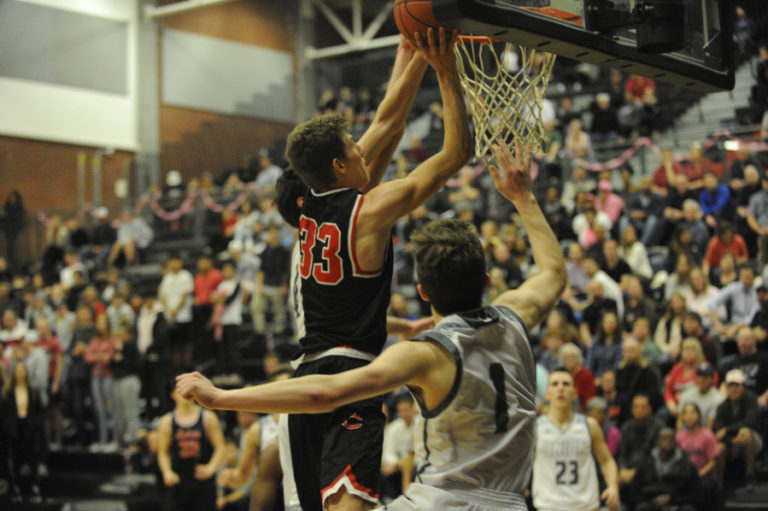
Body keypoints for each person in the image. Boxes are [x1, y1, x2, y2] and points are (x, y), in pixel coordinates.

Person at [176, 136, 567, 511]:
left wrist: (223, 398)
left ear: (423, 292)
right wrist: (524, 198)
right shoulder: (516, 317)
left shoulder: (427, 354)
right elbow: (552, 272)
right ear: (486, 281)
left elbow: (324, 394)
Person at [532, 369, 620, 511]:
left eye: (566, 384)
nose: (561, 388)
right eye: (555, 384)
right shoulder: (535, 428)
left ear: (575, 393)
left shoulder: (589, 425)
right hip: (548, 506)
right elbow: (521, 465)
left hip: (585, 506)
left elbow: (607, 460)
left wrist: (613, 488)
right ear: (547, 393)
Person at [157, 384, 226, 511]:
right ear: (173, 395)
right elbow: (162, 452)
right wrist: (167, 472)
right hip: (179, 481)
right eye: (180, 392)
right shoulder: (167, 421)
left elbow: (221, 447)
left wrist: (211, 468)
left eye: (189, 392)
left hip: (203, 480)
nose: (185, 396)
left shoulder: (208, 418)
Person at [628, 428, 703, 511]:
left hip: (678, 504)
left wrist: (672, 500)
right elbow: (635, 492)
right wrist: (652, 501)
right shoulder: (645, 463)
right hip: (651, 503)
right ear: (657, 442)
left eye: (671, 439)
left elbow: (696, 495)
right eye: (664, 439)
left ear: (676, 442)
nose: (668, 442)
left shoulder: (687, 465)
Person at [713, 369, 762, 487]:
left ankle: (750, 475)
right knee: (719, 446)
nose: (734, 389)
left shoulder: (752, 399)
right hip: (732, 443)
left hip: (754, 440)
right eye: (730, 386)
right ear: (726, 388)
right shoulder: (722, 406)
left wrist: (728, 430)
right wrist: (731, 440)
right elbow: (719, 431)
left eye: (737, 385)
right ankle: (718, 485)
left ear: (743, 387)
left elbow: (750, 422)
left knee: (745, 433)